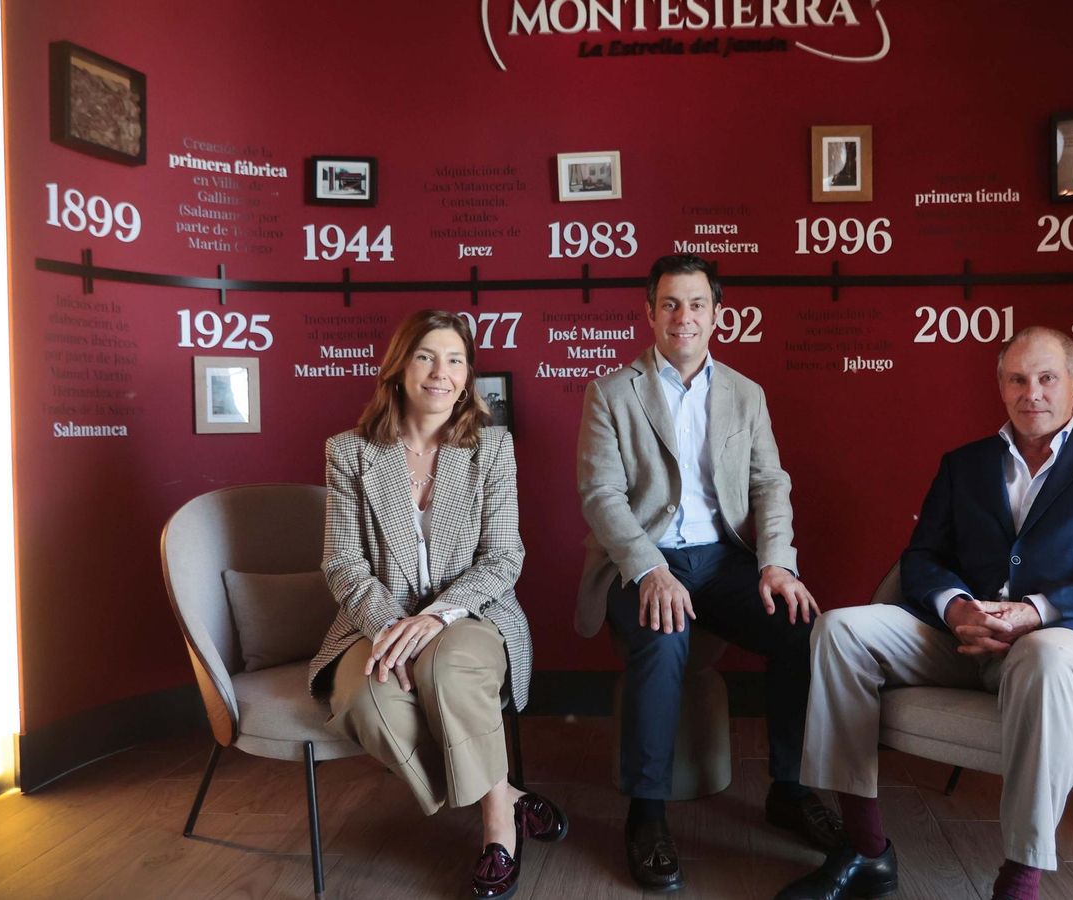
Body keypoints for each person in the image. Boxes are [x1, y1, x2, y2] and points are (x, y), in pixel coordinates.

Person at [778, 326, 1073, 900]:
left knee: (1043, 659)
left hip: (1067, 639)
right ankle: (863, 848)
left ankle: (1021, 878)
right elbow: (924, 557)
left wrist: (1035, 613)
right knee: (839, 630)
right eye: (1017, 379)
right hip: (963, 637)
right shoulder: (964, 464)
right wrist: (956, 608)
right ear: (1001, 387)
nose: (1031, 392)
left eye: (1046, 378)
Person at [576, 254, 844, 891]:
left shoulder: (746, 394)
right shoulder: (611, 393)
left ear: (718, 315)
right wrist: (647, 570)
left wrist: (778, 563)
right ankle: (646, 813)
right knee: (664, 635)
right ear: (649, 313)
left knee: (802, 627)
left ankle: (790, 786)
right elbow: (601, 496)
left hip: (723, 560)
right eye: (670, 304)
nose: (683, 317)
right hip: (637, 561)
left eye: (696, 304)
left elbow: (769, 484)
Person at [307, 310, 567, 900]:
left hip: (470, 613)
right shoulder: (349, 452)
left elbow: (504, 559)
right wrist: (389, 626)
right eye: (425, 356)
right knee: (372, 705)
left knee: (447, 671)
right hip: (376, 620)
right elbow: (342, 562)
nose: (440, 373)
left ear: (468, 374)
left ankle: (498, 832)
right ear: (399, 369)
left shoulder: (492, 448)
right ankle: (507, 793)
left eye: (454, 360)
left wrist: (435, 617)